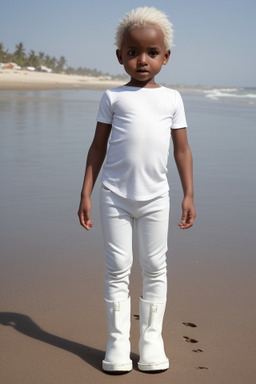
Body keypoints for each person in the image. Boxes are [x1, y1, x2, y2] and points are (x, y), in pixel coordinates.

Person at [78, 6, 196, 373]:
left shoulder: (172, 98)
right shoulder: (113, 98)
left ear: (165, 57)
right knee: (118, 268)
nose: (142, 60)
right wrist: (86, 191)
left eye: (151, 53)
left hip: (156, 198)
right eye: (132, 53)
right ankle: (117, 343)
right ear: (120, 57)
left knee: (154, 266)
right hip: (114, 195)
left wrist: (188, 194)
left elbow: (182, 149)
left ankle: (150, 341)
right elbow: (98, 147)